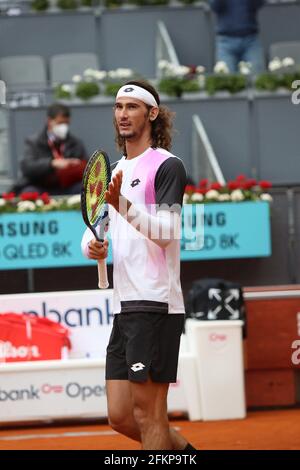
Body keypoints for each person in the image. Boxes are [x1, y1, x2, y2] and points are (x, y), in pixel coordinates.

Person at [81, 80, 196, 451]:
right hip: (124, 305)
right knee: (122, 416)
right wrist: (93, 247)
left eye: (131, 107)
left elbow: (166, 231)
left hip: (156, 303)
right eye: (118, 107)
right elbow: (91, 232)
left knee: (150, 415)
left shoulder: (168, 166)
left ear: (151, 113)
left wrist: (123, 205)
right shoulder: (112, 171)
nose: (123, 114)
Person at [15, 103, 87, 195]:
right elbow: (27, 167)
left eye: (66, 123)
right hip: (41, 187)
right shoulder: (34, 142)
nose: (64, 127)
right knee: (29, 192)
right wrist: (52, 163)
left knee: (83, 190)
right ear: (49, 121)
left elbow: (87, 167)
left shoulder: (75, 143)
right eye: (60, 123)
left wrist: (74, 165)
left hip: (67, 187)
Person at [209, 0, 265, 73]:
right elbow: (215, 6)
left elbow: (259, 4)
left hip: (251, 40)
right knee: (226, 79)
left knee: (257, 77)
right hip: (226, 42)